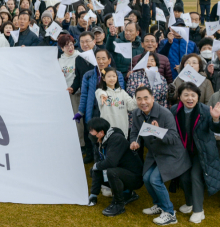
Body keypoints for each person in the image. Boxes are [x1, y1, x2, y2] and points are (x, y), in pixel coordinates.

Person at [129, 86, 191, 225]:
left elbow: (174, 138)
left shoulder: (165, 113)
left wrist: (157, 132)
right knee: (146, 177)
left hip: (171, 153)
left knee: (155, 179)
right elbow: (134, 132)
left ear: (152, 98)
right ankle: (159, 205)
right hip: (155, 152)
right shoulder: (136, 113)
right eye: (139, 99)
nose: (143, 102)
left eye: (146, 98)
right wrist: (134, 141)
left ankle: (169, 213)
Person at [170, 82, 220, 224]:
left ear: (198, 97)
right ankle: (189, 203)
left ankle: (199, 211)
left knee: (195, 176)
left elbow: (216, 129)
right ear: (179, 97)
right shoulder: (174, 110)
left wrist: (216, 119)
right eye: (186, 95)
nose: (189, 98)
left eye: (193, 95)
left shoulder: (205, 110)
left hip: (202, 152)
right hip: (184, 151)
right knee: (184, 177)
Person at [86, 117, 143, 217]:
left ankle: (119, 204)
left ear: (101, 132)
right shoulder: (98, 142)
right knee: (94, 170)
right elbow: (97, 165)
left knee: (112, 172)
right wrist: (93, 194)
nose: (90, 134)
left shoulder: (116, 139)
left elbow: (111, 162)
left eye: (92, 131)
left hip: (135, 177)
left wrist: (97, 166)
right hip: (122, 173)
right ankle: (128, 193)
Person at [95, 67, 136, 136]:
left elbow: (132, 106)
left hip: (122, 128)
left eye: (114, 76)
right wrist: (102, 96)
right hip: (107, 128)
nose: (112, 78)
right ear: (103, 78)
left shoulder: (122, 92)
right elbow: (100, 93)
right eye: (109, 76)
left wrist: (137, 94)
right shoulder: (100, 91)